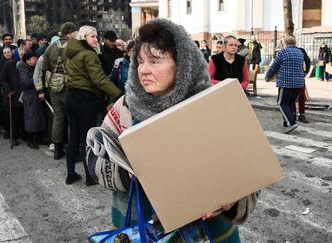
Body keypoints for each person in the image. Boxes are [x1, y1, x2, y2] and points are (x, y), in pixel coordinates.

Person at [86, 18, 258, 242]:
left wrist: (232, 200)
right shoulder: (126, 107)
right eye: (139, 61)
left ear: (182, 65)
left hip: (209, 234)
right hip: (142, 233)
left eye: (155, 61)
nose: (143, 70)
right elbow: (92, 157)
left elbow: (250, 174)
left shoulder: (213, 107)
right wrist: (127, 174)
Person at [64, 25, 121, 185]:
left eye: (96, 36)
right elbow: (99, 79)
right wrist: (119, 94)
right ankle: (90, 176)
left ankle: (70, 173)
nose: (96, 39)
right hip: (85, 100)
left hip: (71, 98)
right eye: (92, 36)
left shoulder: (71, 53)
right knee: (86, 139)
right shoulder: (88, 55)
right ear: (84, 37)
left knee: (73, 137)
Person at [35, 22, 78, 160]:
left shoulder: (50, 48)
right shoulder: (74, 46)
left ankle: (57, 150)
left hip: (54, 87)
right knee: (72, 118)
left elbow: (45, 67)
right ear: (71, 33)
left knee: (58, 117)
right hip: (70, 86)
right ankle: (73, 149)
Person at [265, 36, 305, 134]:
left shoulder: (283, 52)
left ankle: (291, 123)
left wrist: (268, 76)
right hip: (298, 83)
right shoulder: (300, 52)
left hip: (286, 82)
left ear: (285, 43)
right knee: (290, 103)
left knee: (281, 103)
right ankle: (287, 123)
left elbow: (274, 65)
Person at [18, 51, 46, 149]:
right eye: (34, 58)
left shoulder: (35, 68)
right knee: (30, 119)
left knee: (39, 118)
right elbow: (26, 83)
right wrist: (37, 79)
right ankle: (29, 140)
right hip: (30, 97)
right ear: (28, 61)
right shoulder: (23, 70)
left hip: (36, 97)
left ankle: (38, 138)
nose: (36, 60)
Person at [0, 47, 23, 146]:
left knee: (22, 116)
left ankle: (22, 134)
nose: (22, 56)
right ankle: (13, 136)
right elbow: (3, 78)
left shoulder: (27, 64)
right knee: (14, 117)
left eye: (23, 54)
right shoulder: (9, 64)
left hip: (24, 94)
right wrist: (8, 89)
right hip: (14, 94)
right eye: (20, 54)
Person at [297, 46, 311, 123]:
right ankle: (300, 114)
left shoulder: (285, 50)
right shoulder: (300, 50)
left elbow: (307, 60)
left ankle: (299, 114)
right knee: (300, 96)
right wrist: (306, 71)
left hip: (296, 76)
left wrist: (306, 71)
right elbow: (308, 60)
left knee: (299, 96)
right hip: (299, 76)